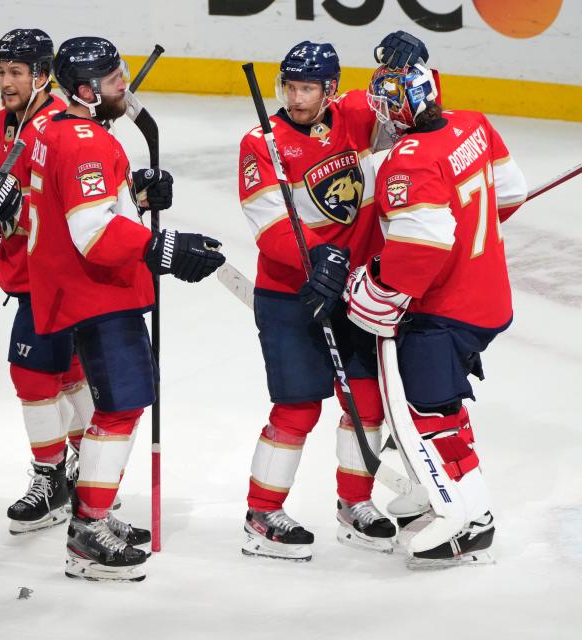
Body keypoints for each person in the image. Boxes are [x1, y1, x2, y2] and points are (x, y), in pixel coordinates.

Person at [22, 36, 223, 581]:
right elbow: (91, 234)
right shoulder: (87, 140)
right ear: (86, 90)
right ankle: (88, 530)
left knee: (115, 403)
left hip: (77, 288)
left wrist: (131, 197)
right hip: (96, 291)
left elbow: (73, 204)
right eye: (114, 81)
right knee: (122, 405)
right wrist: (160, 246)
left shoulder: (54, 127)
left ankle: (97, 508)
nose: (124, 87)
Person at [236, 33, 428, 561]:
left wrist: (410, 64)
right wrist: (317, 258)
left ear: (332, 89)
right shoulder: (262, 142)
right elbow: (270, 224)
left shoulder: (361, 115)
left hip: (357, 290)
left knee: (367, 405)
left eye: (307, 89)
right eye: (289, 87)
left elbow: (416, 103)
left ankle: (354, 505)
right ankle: (262, 514)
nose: (295, 99)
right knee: (296, 408)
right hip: (290, 294)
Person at [344, 59, 527, 568]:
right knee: (437, 404)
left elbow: (421, 245)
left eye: (386, 102)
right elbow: (510, 193)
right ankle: (436, 493)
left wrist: (377, 289)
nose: (380, 113)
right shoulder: (472, 123)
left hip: (443, 309)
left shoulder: (408, 161)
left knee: (430, 409)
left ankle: (471, 517)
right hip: (487, 294)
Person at [0, 28, 102, 535]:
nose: (6, 83)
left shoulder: (56, 126)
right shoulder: (1, 122)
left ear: (41, 76)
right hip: (24, 268)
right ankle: (89, 465)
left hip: (57, 272)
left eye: (17, 73)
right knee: (69, 370)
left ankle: (52, 477)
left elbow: (67, 208)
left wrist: (16, 209)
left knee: (31, 376)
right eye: (2, 72)